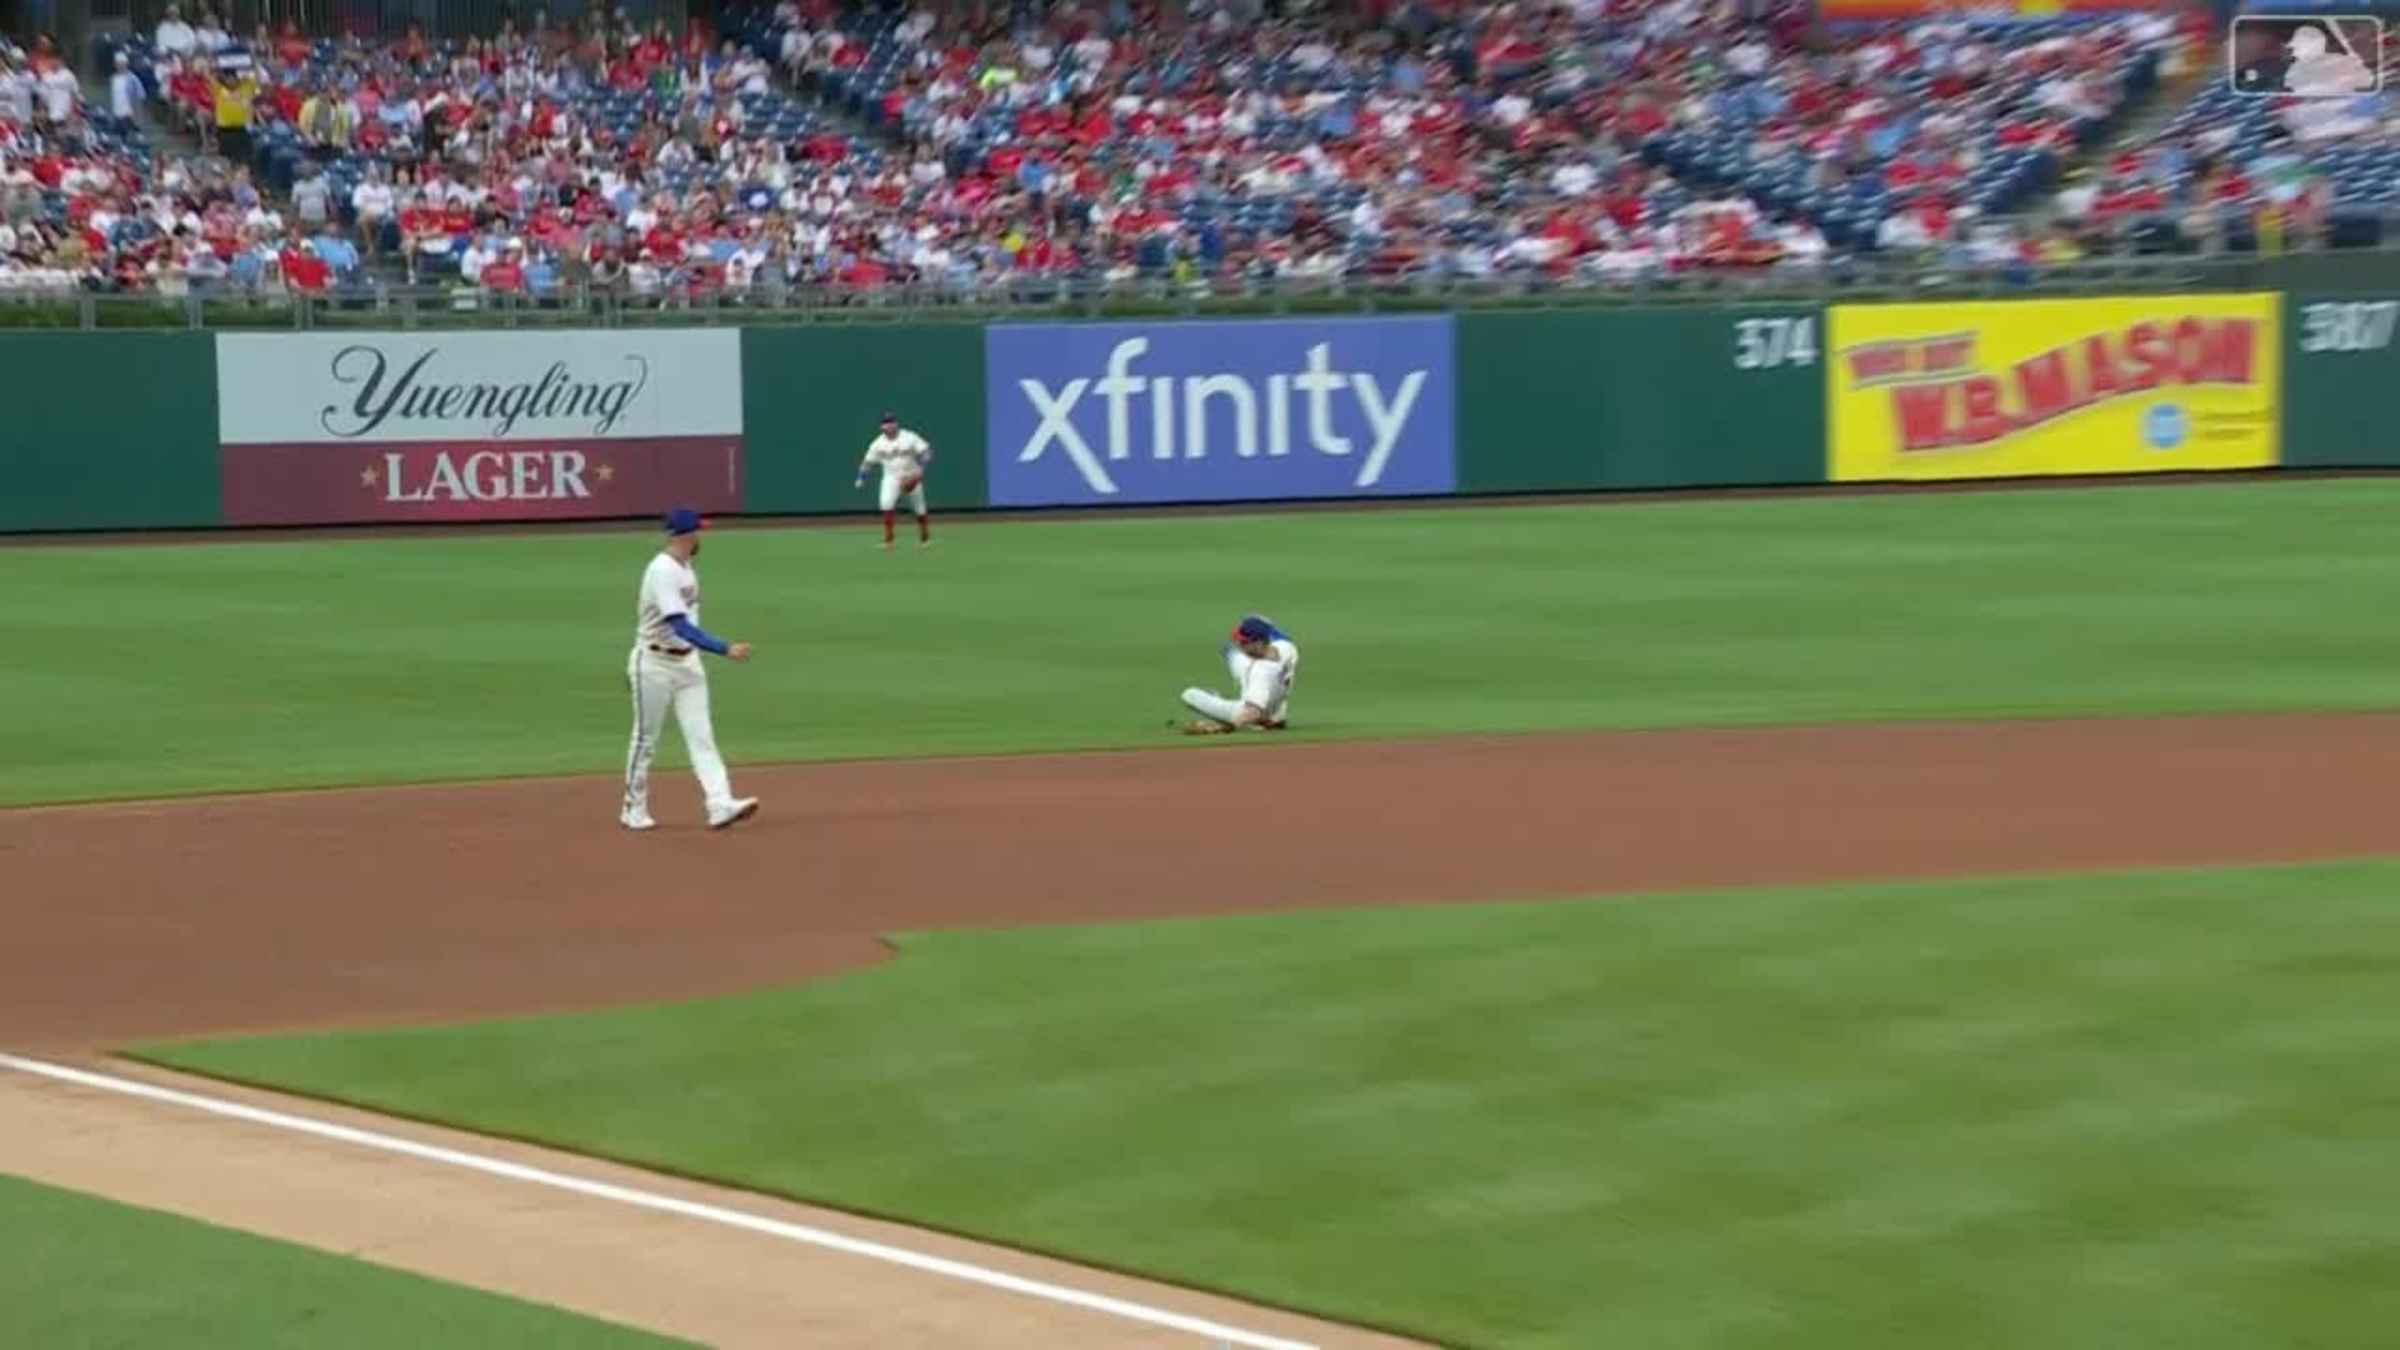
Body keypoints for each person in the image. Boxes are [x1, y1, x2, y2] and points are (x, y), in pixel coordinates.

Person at [623, 508, 759, 831]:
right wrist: (723, 648)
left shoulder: (686, 568)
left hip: (688, 664)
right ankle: (633, 808)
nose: (701, 537)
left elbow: (687, 628)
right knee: (645, 739)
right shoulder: (662, 571)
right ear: (681, 536)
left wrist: (702, 652)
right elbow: (678, 624)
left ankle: (719, 804)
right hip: (654, 664)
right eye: (697, 532)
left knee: (702, 737)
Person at [1177, 615, 1299, 734]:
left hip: (1254, 713)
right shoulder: (1287, 648)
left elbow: (1253, 712)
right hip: (1276, 704)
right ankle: (1277, 715)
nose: (1240, 644)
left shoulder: (1261, 672)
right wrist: (1255, 621)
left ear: (1259, 642)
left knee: (1188, 695)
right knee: (1231, 652)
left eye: (1244, 641)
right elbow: (1272, 631)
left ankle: (1263, 720)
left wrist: (1224, 727)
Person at [854, 410, 934, 549]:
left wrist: (920, 469)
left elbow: (926, 452)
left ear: (896, 424)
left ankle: (924, 537)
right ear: (881, 427)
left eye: (891, 422)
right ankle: (889, 539)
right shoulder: (877, 444)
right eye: (886, 423)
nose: (889, 425)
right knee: (886, 504)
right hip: (891, 477)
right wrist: (861, 477)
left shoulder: (909, 437)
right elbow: (867, 462)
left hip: (911, 474)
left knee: (919, 508)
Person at [2285, 24, 2372, 98]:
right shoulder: (2296, 70)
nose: (2295, 51)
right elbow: (2367, 80)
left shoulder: (2295, 70)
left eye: (2298, 47)